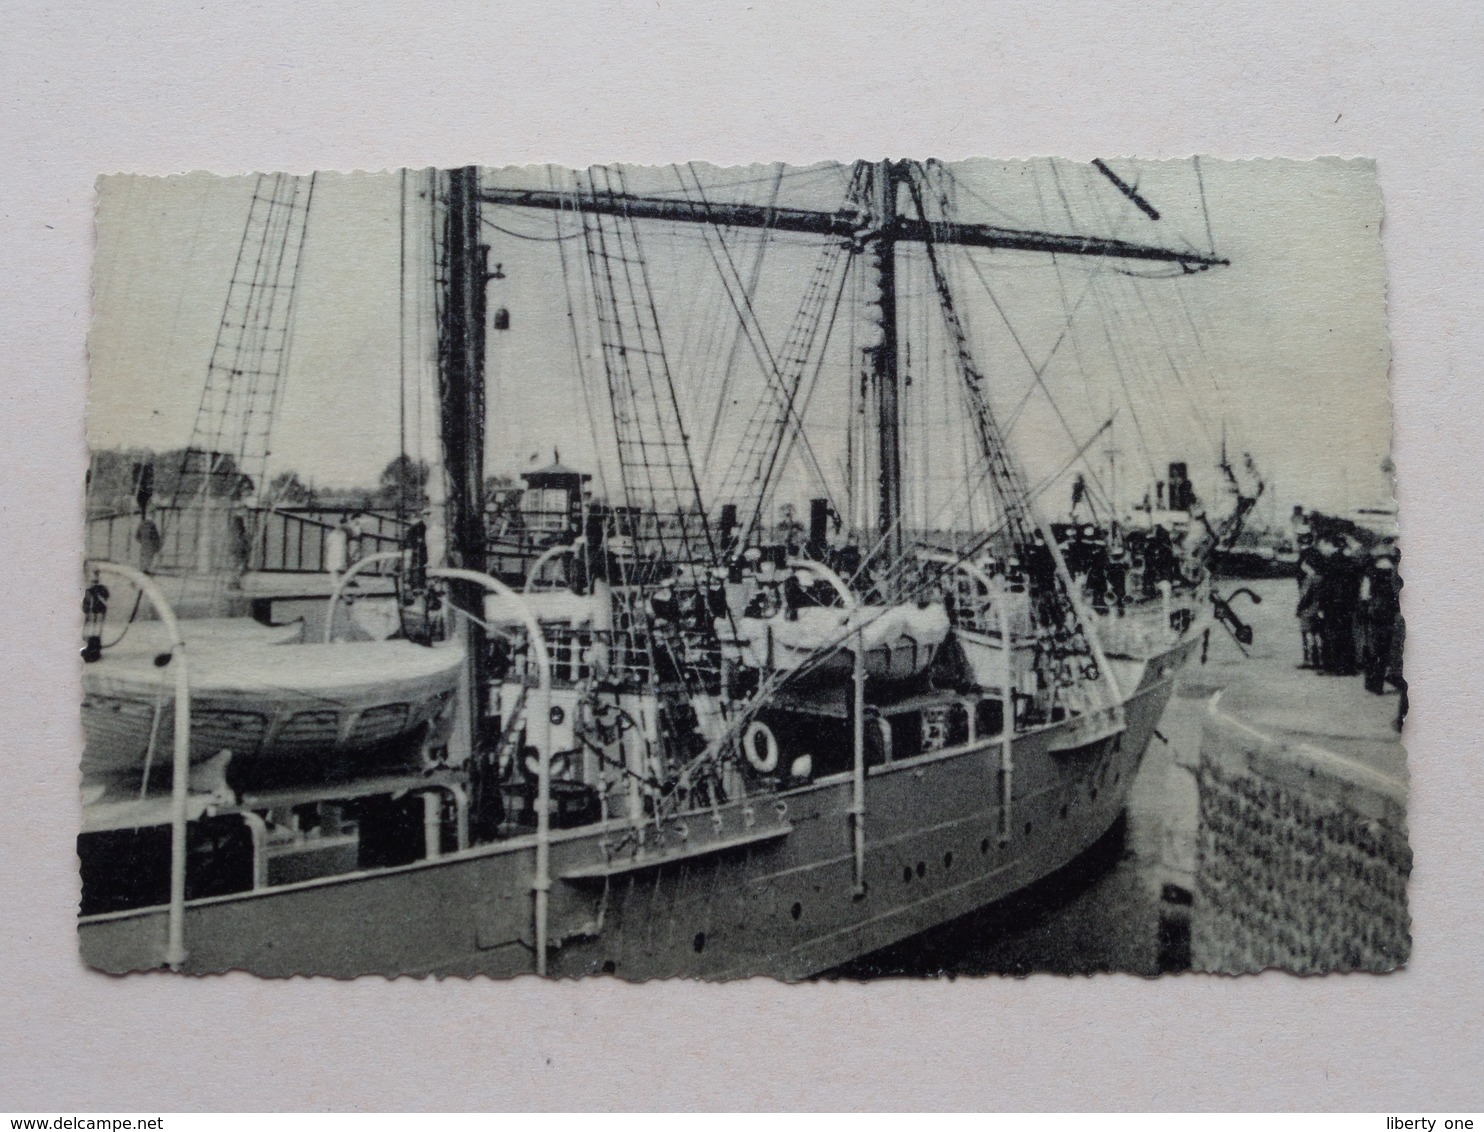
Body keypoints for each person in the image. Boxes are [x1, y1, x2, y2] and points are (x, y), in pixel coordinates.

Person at [1359, 544, 1403, 695]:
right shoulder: (1395, 572)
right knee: (1384, 649)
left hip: (1374, 612)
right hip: (1390, 613)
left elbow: (1364, 595)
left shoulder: (1370, 572)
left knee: (1371, 647)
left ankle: (1372, 683)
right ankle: (1379, 682)